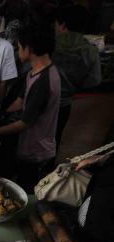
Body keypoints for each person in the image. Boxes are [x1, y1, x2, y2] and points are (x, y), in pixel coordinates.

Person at [0, 25, 61, 193]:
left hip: (36, 152)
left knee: (29, 195)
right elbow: (21, 102)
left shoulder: (44, 80)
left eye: (19, 47)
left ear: (29, 48)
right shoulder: (35, 71)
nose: (18, 50)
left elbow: (25, 123)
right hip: (28, 146)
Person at [52, 6, 101, 148]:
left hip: (41, 101)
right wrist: (74, 86)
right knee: (55, 139)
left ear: (62, 24)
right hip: (64, 103)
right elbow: (94, 81)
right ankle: (50, 169)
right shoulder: (91, 50)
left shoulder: (50, 45)